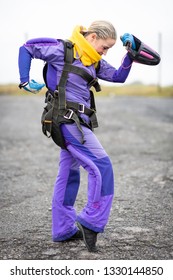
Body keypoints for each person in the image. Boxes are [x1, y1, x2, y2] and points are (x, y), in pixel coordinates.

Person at [18, 20, 136, 252]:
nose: (106, 51)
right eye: (105, 46)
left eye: (110, 49)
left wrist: (130, 55)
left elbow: (119, 77)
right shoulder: (63, 49)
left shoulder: (94, 62)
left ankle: (62, 229)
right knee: (102, 166)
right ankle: (92, 221)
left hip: (79, 123)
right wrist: (24, 80)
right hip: (66, 121)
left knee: (69, 172)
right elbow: (27, 47)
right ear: (92, 37)